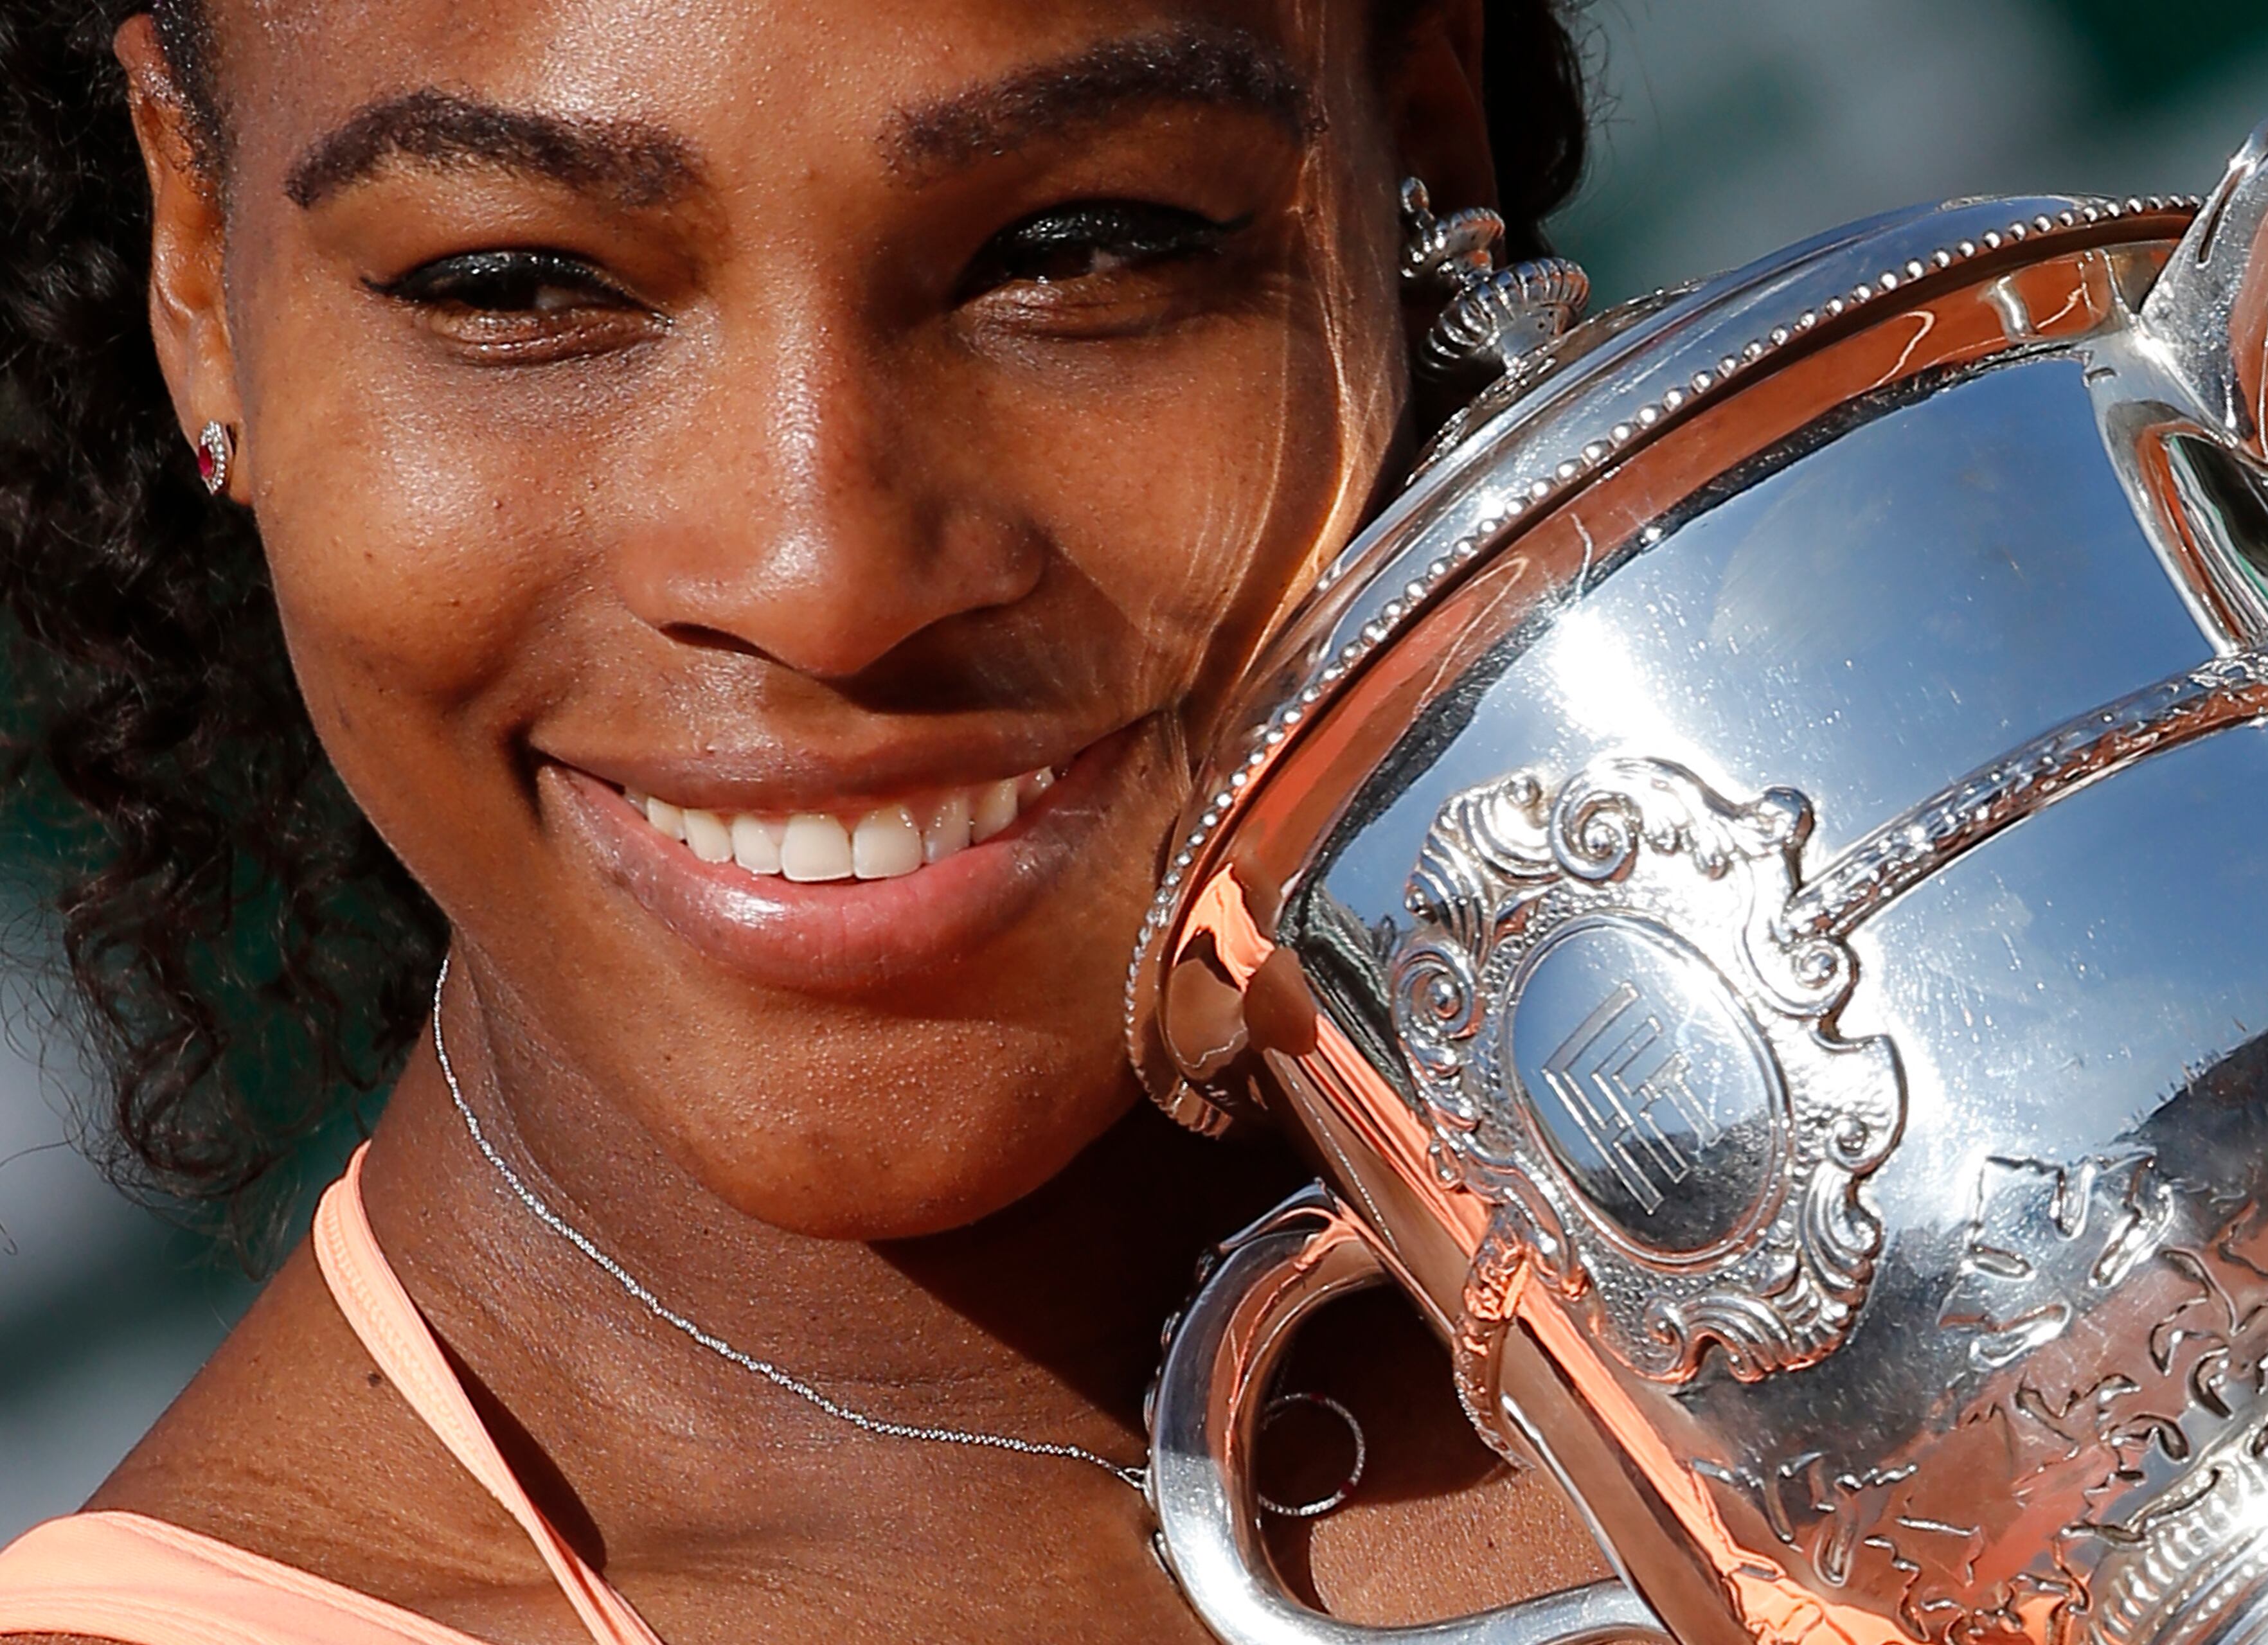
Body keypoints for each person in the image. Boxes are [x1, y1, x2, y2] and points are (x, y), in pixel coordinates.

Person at [0, 1, 1632, 1641]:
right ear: (201, 265)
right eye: (516, 284)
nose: (821, 576)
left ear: (1417, 152)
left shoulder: (1882, 1053)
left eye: (1072, 248)